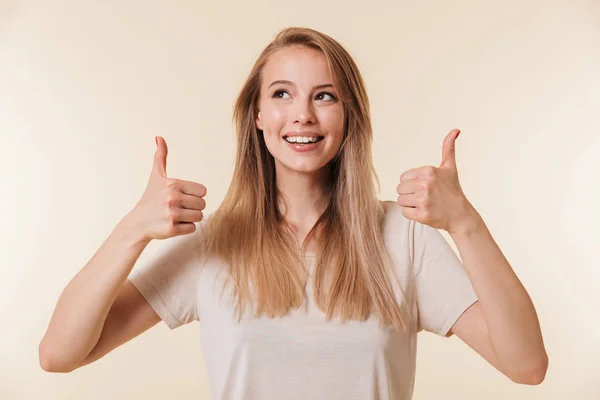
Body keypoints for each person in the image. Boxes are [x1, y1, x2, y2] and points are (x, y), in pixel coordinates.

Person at [39, 27, 548, 399]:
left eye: (324, 96)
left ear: (348, 118)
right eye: (282, 94)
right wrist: (132, 231)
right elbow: (59, 354)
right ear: (258, 116)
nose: (302, 114)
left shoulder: (403, 238)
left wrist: (466, 224)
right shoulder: (216, 244)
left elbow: (526, 365)